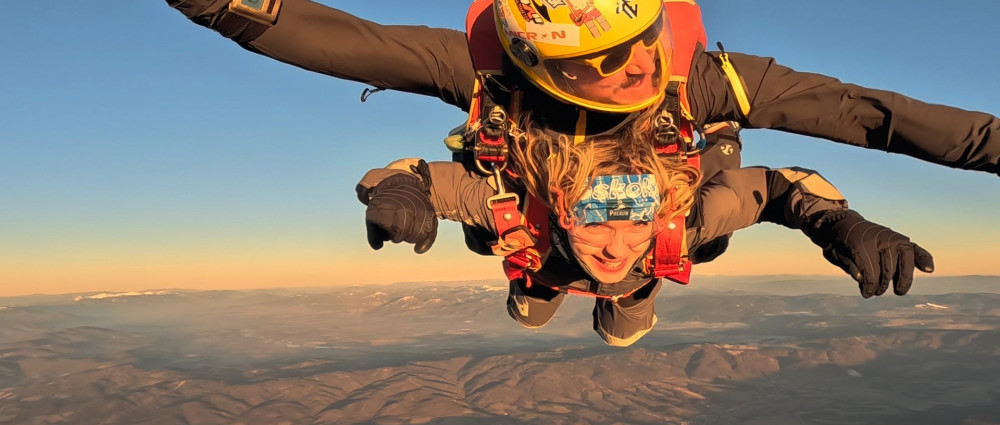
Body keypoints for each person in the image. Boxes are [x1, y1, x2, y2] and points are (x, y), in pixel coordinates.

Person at [162, 0, 1000, 177]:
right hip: (545, 199)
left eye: (638, 44)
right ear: (537, 62)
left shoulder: (700, 76)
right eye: (598, 62)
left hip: (644, 210)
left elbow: (876, 117)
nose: (636, 68)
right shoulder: (487, 69)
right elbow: (348, 45)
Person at [356, 124, 933, 346]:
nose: (614, 246)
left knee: (621, 332)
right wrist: (397, 193)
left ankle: (609, 303)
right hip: (546, 264)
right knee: (530, 314)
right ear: (560, 208)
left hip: (625, 286)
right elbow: (414, 175)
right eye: (593, 225)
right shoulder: (516, 204)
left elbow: (782, 188)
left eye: (635, 227)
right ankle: (552, 294)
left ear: (660, 212)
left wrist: (843, 224)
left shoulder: (682, 217)